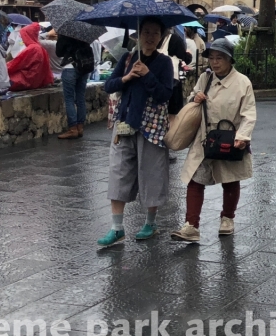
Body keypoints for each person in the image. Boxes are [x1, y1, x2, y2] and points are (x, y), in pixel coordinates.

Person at [98, 17, 175, 247]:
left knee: (151, 173)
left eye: (155, 33)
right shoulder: (128, 58)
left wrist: (147, 75)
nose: (150, 37)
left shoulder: (164, 63)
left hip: (151, 128)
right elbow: (109, 86)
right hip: (125, 123)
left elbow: (165, 94)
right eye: (146, 32)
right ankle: (117, 227)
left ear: (161, 37)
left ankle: (150, 222)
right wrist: (127, 77)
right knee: (118, 172)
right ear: (138, 35)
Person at [171, 38, 256, 242]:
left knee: (230, 179)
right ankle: (191, 226)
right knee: (195, 179)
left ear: (229, 60)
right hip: (205, 138)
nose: (215, 62)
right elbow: (192, 98)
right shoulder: (205, 78)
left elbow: (249, 113)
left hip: (230, 138)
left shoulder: (243, 82)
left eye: (220, 58)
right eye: (212, 58)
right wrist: (195, 99)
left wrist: (243, 136)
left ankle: (227, 218)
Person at [57, 34, 95, 139]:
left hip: (70, 68)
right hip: (83, 67)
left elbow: (58, 52)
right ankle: (80, 127)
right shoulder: (84, 32)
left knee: (69, 99)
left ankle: (73, 129)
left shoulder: (65, 33)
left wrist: (60, 38)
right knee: (80, 98)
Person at [7, 22, 54, 92]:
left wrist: (2, 68)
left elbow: (16, 64)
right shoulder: (39, 48)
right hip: (36, 80)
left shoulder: (32, 49)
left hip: (25, 79)